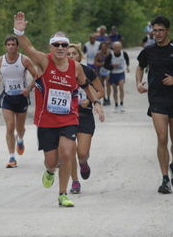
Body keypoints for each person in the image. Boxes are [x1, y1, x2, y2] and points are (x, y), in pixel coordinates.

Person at [13, 11, 105, 207]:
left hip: (69, 118)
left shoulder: (76, 67)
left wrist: (96, 103)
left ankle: (63, 193)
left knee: (66, 153)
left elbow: (86, 85)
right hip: (47, 121)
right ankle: (49, 171)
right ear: (51, 47)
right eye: (57, 44)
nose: (61, 48)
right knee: (52, 161)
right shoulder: (44, 61)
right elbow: (28, 48)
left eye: (64, 44)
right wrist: (19, 32)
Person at [136, 16, 173, 194]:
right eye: (155, 30)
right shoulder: (149, 51)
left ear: (167, 31)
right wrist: (139, 83)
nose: (158, 34)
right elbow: (140, 66)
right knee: (162, 138)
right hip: (157, 99)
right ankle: (164, 179)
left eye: (161, 30)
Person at [0, 35, 37, 168]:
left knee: (20, 128)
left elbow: (36, 75)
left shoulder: (24, 60)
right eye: (8, 44)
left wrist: (28, 88)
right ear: (5, 46)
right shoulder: (0, 61)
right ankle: (11, 157)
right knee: (10, 126)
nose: (11, 46)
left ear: (17, 46)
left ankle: (20, 140)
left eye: (13, 44)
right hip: (7, 97)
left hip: (21, 97)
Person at [67, 44, 104, 194]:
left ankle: (83, 163)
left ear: (79, 56)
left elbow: (100, 91)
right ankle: (75, 182)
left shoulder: (87, 71)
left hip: (85, 116)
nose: (70, 56)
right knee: (69, 151)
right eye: (68, 54)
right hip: (67, 116)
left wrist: (90, 101)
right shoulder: (60, 72)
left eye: (73, 53)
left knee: (81, 153)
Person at [105, 41, 130, 112]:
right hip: (113, 74)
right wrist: (112, 66)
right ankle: (116, 105)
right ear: (113, 48)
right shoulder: (110, 55)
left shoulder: (124, 53)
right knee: (115, 90)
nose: (117, 48)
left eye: (119, 47)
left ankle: (121, 104)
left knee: (121, 87)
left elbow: (127, 59)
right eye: (116, 47)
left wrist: (127, 67)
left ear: (121, 47)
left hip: (121, 73)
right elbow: (105, 65)